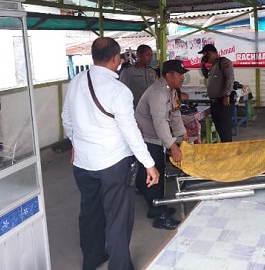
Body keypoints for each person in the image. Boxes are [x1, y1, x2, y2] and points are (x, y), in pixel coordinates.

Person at [62, 37, 160, 270]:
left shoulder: (75, 82)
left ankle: (92, 259)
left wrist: (76, 142)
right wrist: (149, 164)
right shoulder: (118, 90)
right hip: (113, 164)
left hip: (83, 164)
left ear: (93, 56)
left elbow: (66, 118)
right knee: (117, 217)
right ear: (117, 58)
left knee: (90, 212)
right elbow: (130, 132)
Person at [134, 59, 189, 230]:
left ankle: (156, 206)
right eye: (179, 74)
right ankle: (158, 215)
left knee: (156, 172)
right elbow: (160, 122)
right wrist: (173, 145)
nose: (182, 77)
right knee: (155, 174)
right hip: (147, 139)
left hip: (156, 138)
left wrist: (183, 133)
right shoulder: (158, 92)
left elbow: (175, 114)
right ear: (168, 75)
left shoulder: (171, 90)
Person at [198, 43, 235, 142]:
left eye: (207, 54)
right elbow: (206, 76)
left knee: (225, 129)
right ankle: (224, 147)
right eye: (204, 55)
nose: (206, 57)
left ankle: (228, 151)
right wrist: (203, 65)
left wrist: (227, 94)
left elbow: (230, 79)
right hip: (215, 103)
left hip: (223, 101)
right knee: (219, 128)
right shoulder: (213, 66)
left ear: (214, 53)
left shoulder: (223, 62)